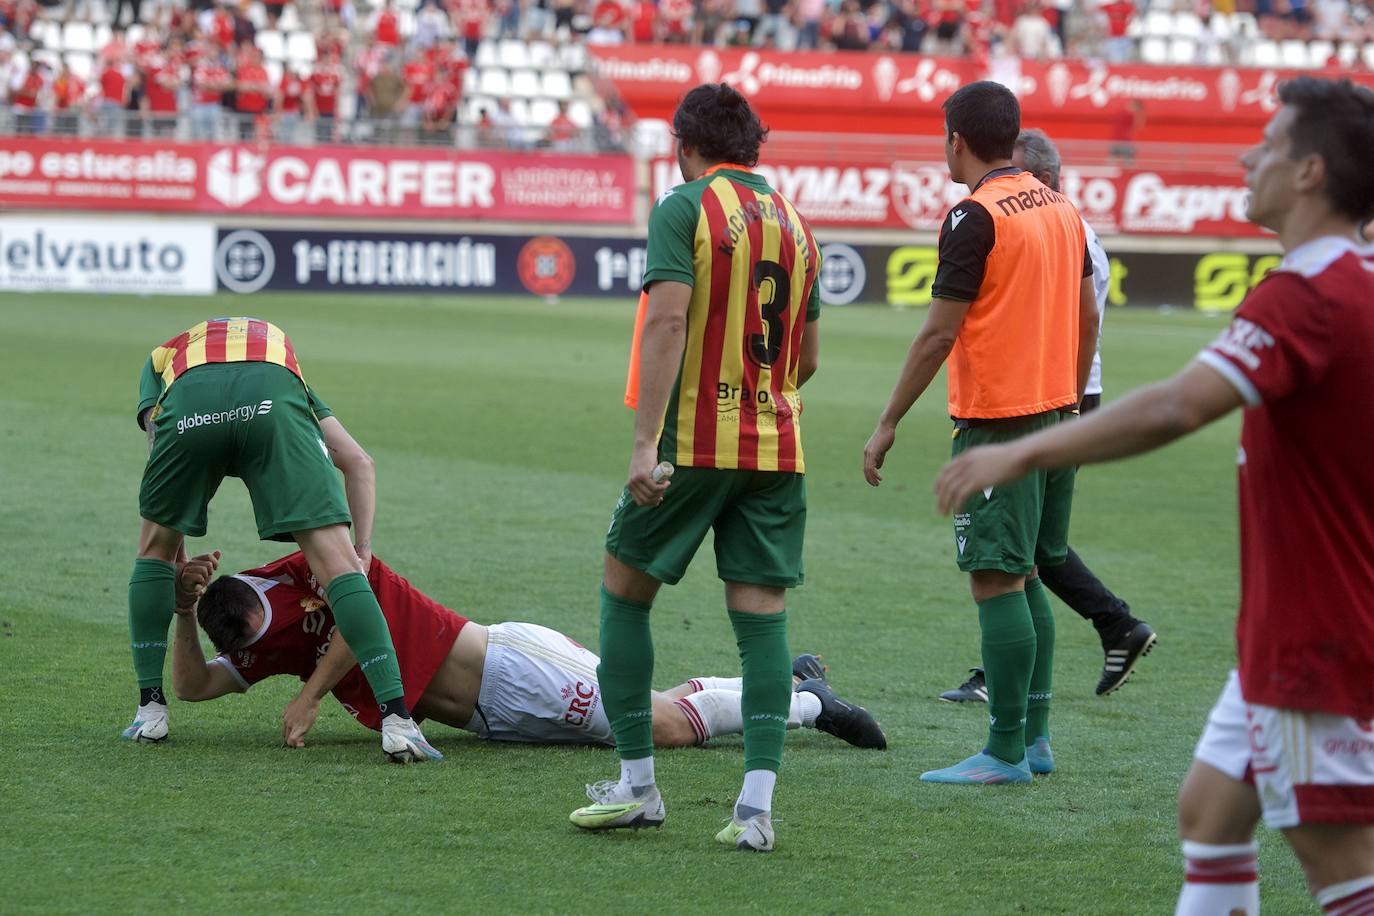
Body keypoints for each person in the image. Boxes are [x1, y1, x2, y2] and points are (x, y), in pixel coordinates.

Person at [933, 77, 1374, 915]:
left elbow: (1176, 406)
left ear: (1311, 171)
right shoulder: (1350, 279)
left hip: (1319, 637)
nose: (1248, 155)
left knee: (1344, 875)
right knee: (1209, 814)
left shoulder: (1307, 297)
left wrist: (1015, 454)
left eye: (1270, 143)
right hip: (1288, 636)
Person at [568, 83, 823, 853]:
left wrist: (647, 442)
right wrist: (759, 400)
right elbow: (806, 359)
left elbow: (670, 317)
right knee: (762, 622)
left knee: (625, 590)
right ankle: (755, 811)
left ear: (685, 145)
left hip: (693, 442)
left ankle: (639, 788)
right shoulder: (798, 224)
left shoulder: (685, 207)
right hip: (777, 447)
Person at [863, 81, 1098, 786]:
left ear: (956, 140)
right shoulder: (1061, 206)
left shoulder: (975, 216)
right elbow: (1089, 312)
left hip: (1000, 421)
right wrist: (1073, 400)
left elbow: (939, 333)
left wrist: (888, 420)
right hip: (1059, 415)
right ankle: (1037, 740)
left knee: (997, 578)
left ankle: (1002, 753)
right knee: (1026, 573)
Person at [169, 551, 885, 753]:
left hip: (511, 666)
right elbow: (197, 687)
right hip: (489, 721)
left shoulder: (310, 567)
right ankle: (789, 680)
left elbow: (370, 618)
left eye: (270, 631)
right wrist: (180, 614)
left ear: (263, 592)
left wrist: (311, 693)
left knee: (659, 726)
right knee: (659, 707)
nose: (273, 647)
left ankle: (804, 704)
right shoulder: (249, 630)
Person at [123, 317, 440, 765]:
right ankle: (397, 723)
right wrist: (361, 551)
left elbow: (159, 459)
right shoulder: (288, 370)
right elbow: (359, 462)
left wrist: (178, 559)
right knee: (338, 566)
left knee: (151, 551)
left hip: (191, 403)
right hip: (270, 393)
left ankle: (149, 712)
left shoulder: (161, 360)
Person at [939, 128, 1155, 704]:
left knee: (1024, 552)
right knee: (1031, 549)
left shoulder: (1054, 228)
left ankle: (1098, 632)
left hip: (1046, 396)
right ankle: (1075, 651)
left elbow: (1061, 320)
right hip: (1067, 394)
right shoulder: (1068, 223)